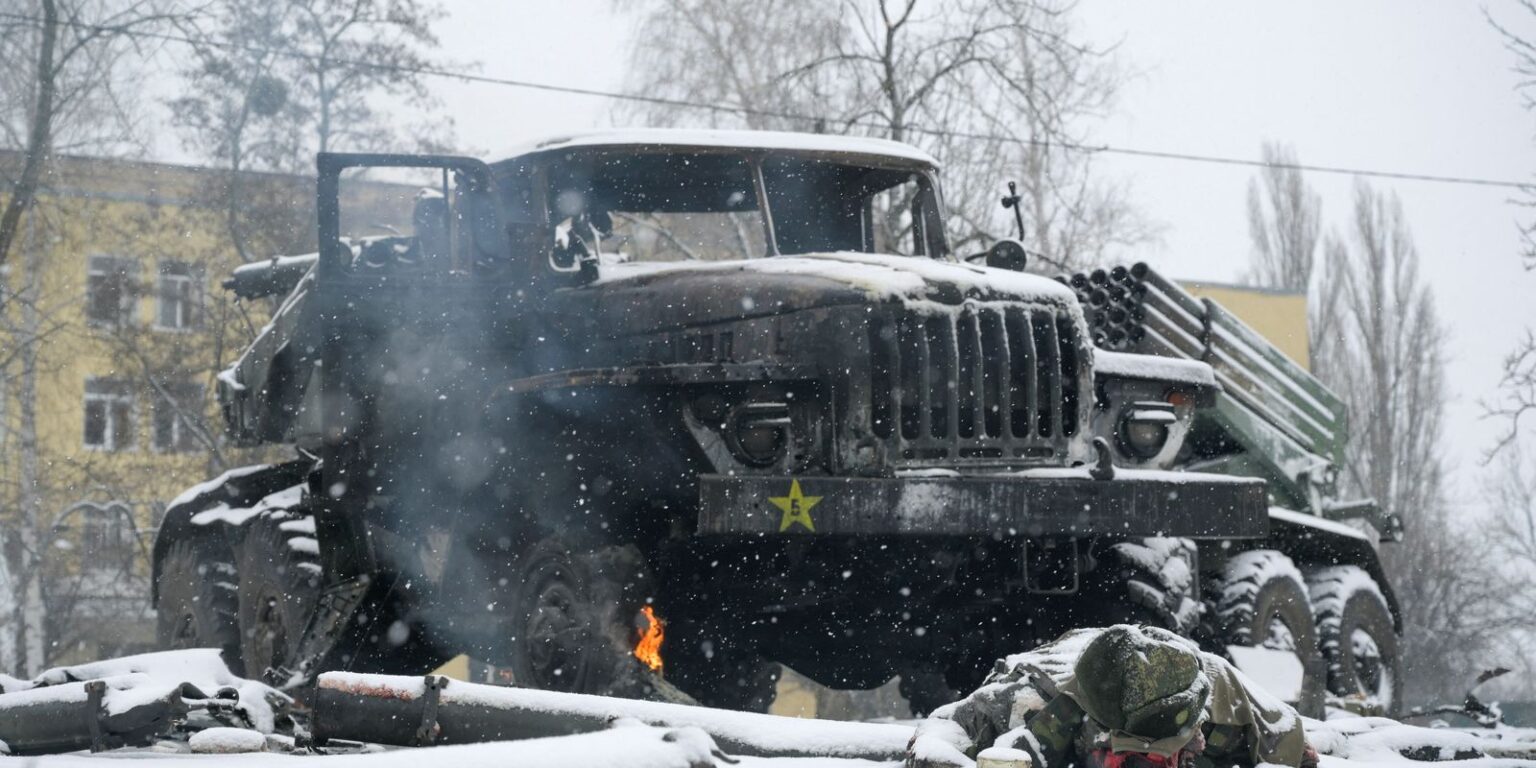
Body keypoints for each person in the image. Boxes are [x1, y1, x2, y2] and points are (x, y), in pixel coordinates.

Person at [905, 625, 1318, 768]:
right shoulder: (1030, 703)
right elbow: (941, 734)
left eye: (1162, 761)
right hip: (1066, 660)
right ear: (1098, 736)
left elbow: (1293, 748)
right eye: (1132, 763)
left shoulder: (1229, 701)